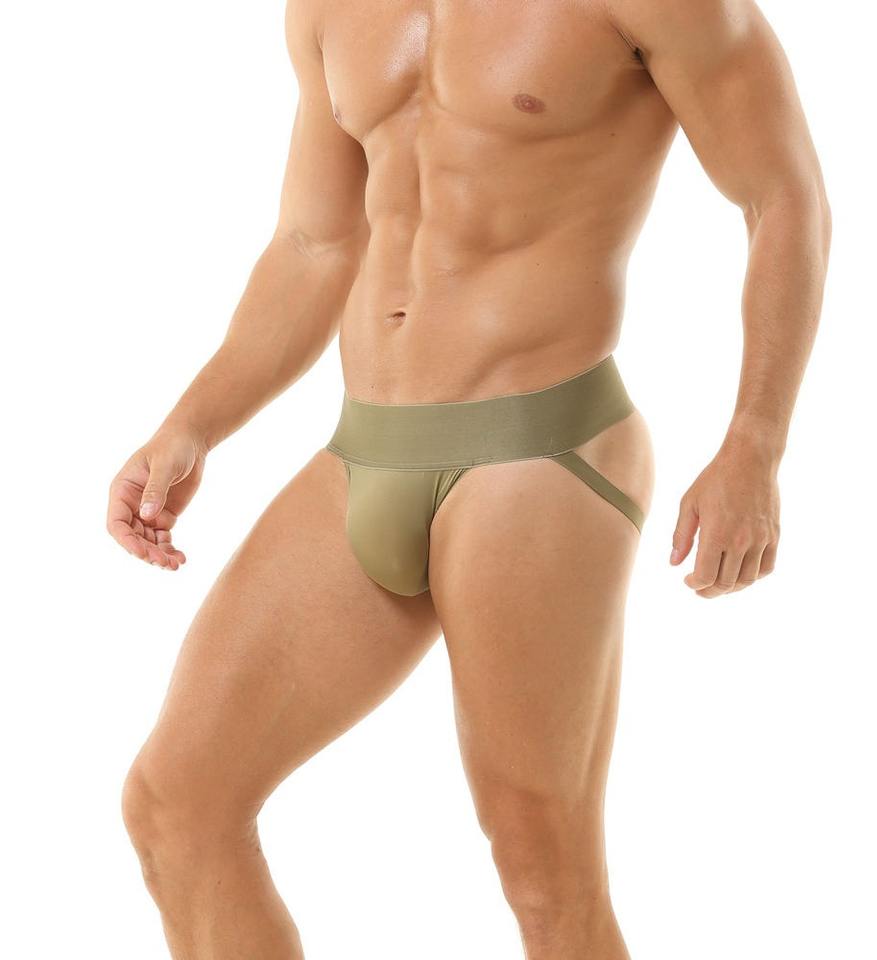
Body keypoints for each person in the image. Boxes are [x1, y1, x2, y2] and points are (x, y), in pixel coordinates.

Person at [106, 0, 830, 956]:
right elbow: (314, 243)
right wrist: (192, 424)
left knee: (544, 870)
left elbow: (782, 198)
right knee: (177, 803)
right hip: (366, 445)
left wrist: (755, 445)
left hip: (540, 446)